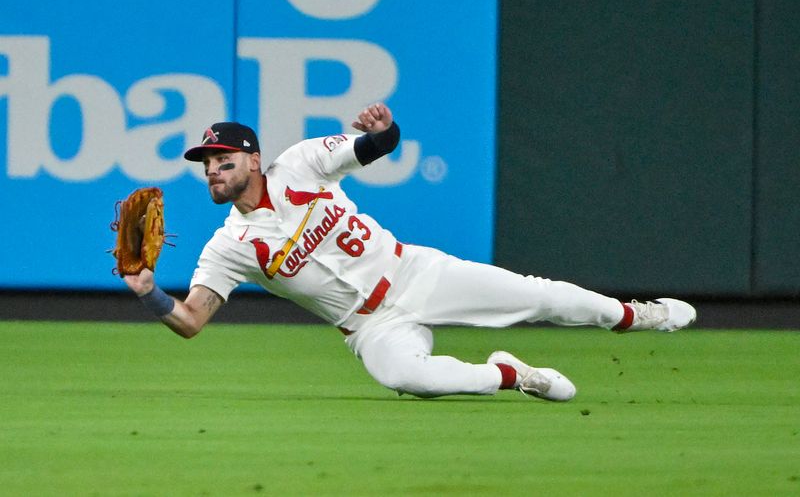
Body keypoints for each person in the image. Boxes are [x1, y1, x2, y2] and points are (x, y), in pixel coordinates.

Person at [123, 103, 696, 401]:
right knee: (406, 378)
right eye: (207, 165)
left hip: (411, 273)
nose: (214, 172)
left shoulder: (299, 162)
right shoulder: (228, 247)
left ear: (252, 159)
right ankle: (510, 375)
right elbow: (193, 320)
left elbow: (377, 146)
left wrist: (384, 129)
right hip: (366, 326)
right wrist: (151, 295)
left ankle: (633, 316)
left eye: (223, 160)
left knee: (533, 295)